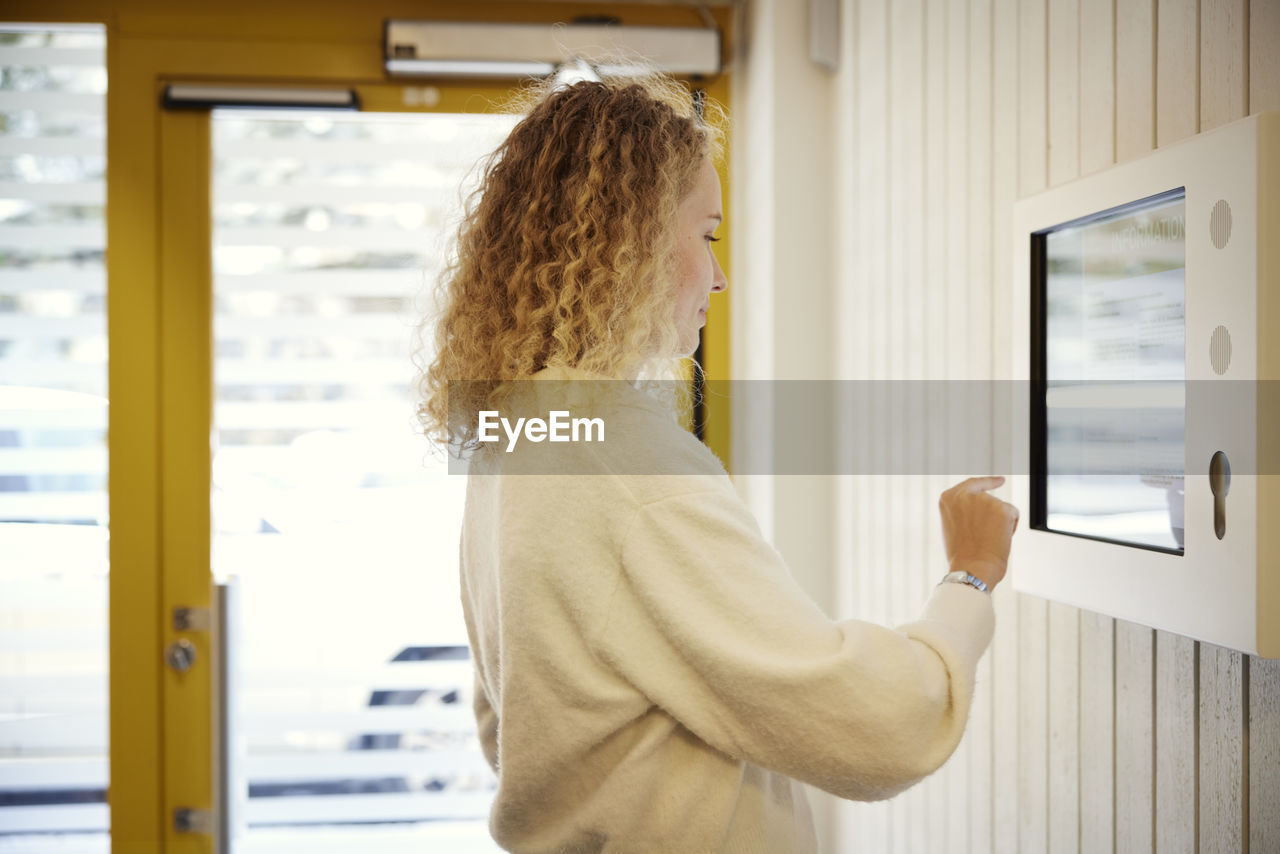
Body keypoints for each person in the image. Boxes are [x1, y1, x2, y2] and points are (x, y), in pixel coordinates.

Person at [418, 72, 1018, 854]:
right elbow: (878, 727)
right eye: (706, 235)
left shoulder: (522, 430)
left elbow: (512, 724)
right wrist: (969, 579)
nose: (720, 275)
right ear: (627, 240)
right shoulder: (623, 460)